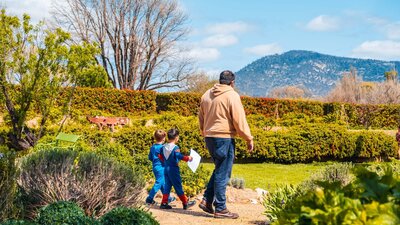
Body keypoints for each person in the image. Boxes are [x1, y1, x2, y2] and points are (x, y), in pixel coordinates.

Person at [198, 70, 253, 219]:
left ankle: (207, 200)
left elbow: (201, 117)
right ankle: (221, 208)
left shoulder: (206, 94)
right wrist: (248, 138)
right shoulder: (232, 95)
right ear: (232, 82)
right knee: (223, 172)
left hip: (209, 136)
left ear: (220, 80)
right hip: (224, 137)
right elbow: (239, 119)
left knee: (219, 169)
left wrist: (205, 132)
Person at [159, 128, 196, 210]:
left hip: (166, 168)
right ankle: (185, 202)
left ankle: (164, 203)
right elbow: (179, 156)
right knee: (178, 186)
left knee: (167, 186)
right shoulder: (176, 147)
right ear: (176, 138)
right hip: (173, 169)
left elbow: (160, 156)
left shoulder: (163, 147)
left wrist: (165, 162)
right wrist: (188, 158)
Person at [146, 129, 175, 205]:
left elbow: (150, 158)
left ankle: (168, 198)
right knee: (159, 182)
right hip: (161, 168)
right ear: (163, 138)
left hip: (155, 167)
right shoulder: (162, 148)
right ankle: (149, 198)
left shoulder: (153, 147)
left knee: (162, 183)